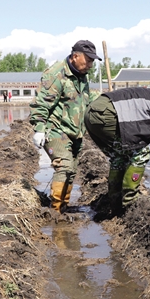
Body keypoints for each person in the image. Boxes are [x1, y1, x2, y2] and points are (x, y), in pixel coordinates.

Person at [29, 40, 101, 212]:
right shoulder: (56, 74)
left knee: (72, 170)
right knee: (65, 166)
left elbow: (84, 99)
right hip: (55, 129)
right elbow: (41, 103)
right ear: (75, 56)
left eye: (92, 61)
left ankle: (63, 207)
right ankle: (55, 211)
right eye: (88, 60)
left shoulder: (82, 76)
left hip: (74, 131)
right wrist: (39, 129)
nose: (90, 65)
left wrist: (106, 99)